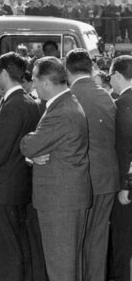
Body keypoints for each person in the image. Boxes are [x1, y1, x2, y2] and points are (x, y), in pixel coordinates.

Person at [20, 57, 91, 281]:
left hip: (60, 202)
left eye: (34, 80)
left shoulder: (61, 111)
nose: (32, 86)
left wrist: (30, 149)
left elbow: (29, 144)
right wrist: (35, 155)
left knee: (61, 269)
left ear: (47, 83)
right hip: (67, 198)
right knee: (70, 266)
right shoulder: (67, 103)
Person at [0, 52, 43, 281]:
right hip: (19, 183)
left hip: (5, 187)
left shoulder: (13, 104)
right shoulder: (28, 101)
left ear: (4, 72)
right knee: (18, 242)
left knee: (6, 246)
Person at [64, 49, 119, 281]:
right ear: (91, 69)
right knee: (97, 240)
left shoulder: (69, 97)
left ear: (67, 70)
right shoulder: (106, 95)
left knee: (77, 243)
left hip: (82, 181)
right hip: (107, 179)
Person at [107, 55, 132, 281]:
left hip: (126, 189)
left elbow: (127, 150)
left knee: (123, 242)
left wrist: (126, 186)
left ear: (116, 75)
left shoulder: (121, 105)